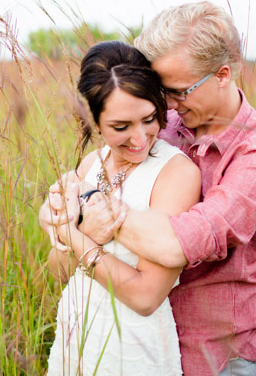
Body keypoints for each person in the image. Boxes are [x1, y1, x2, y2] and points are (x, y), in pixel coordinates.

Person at [41, 2, 256, 376]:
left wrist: (82, 211)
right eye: (162, 93)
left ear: (222, 74)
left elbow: (177, 243)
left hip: (213, 357)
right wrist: (62, 199)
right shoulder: (159, 123)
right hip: (121, 343)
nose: (167, 107)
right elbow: (83, 180)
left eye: (177, 91)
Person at [45, 40, 201, 376]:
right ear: (94, 123)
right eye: (120, 127)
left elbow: (146, 297)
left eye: (149, 119)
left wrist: (75, 235)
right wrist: (73, 231)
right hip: (77, 330)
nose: (140, 138)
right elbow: (58, 272)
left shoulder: (176, 175)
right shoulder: (89, 164)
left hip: (133, 347)